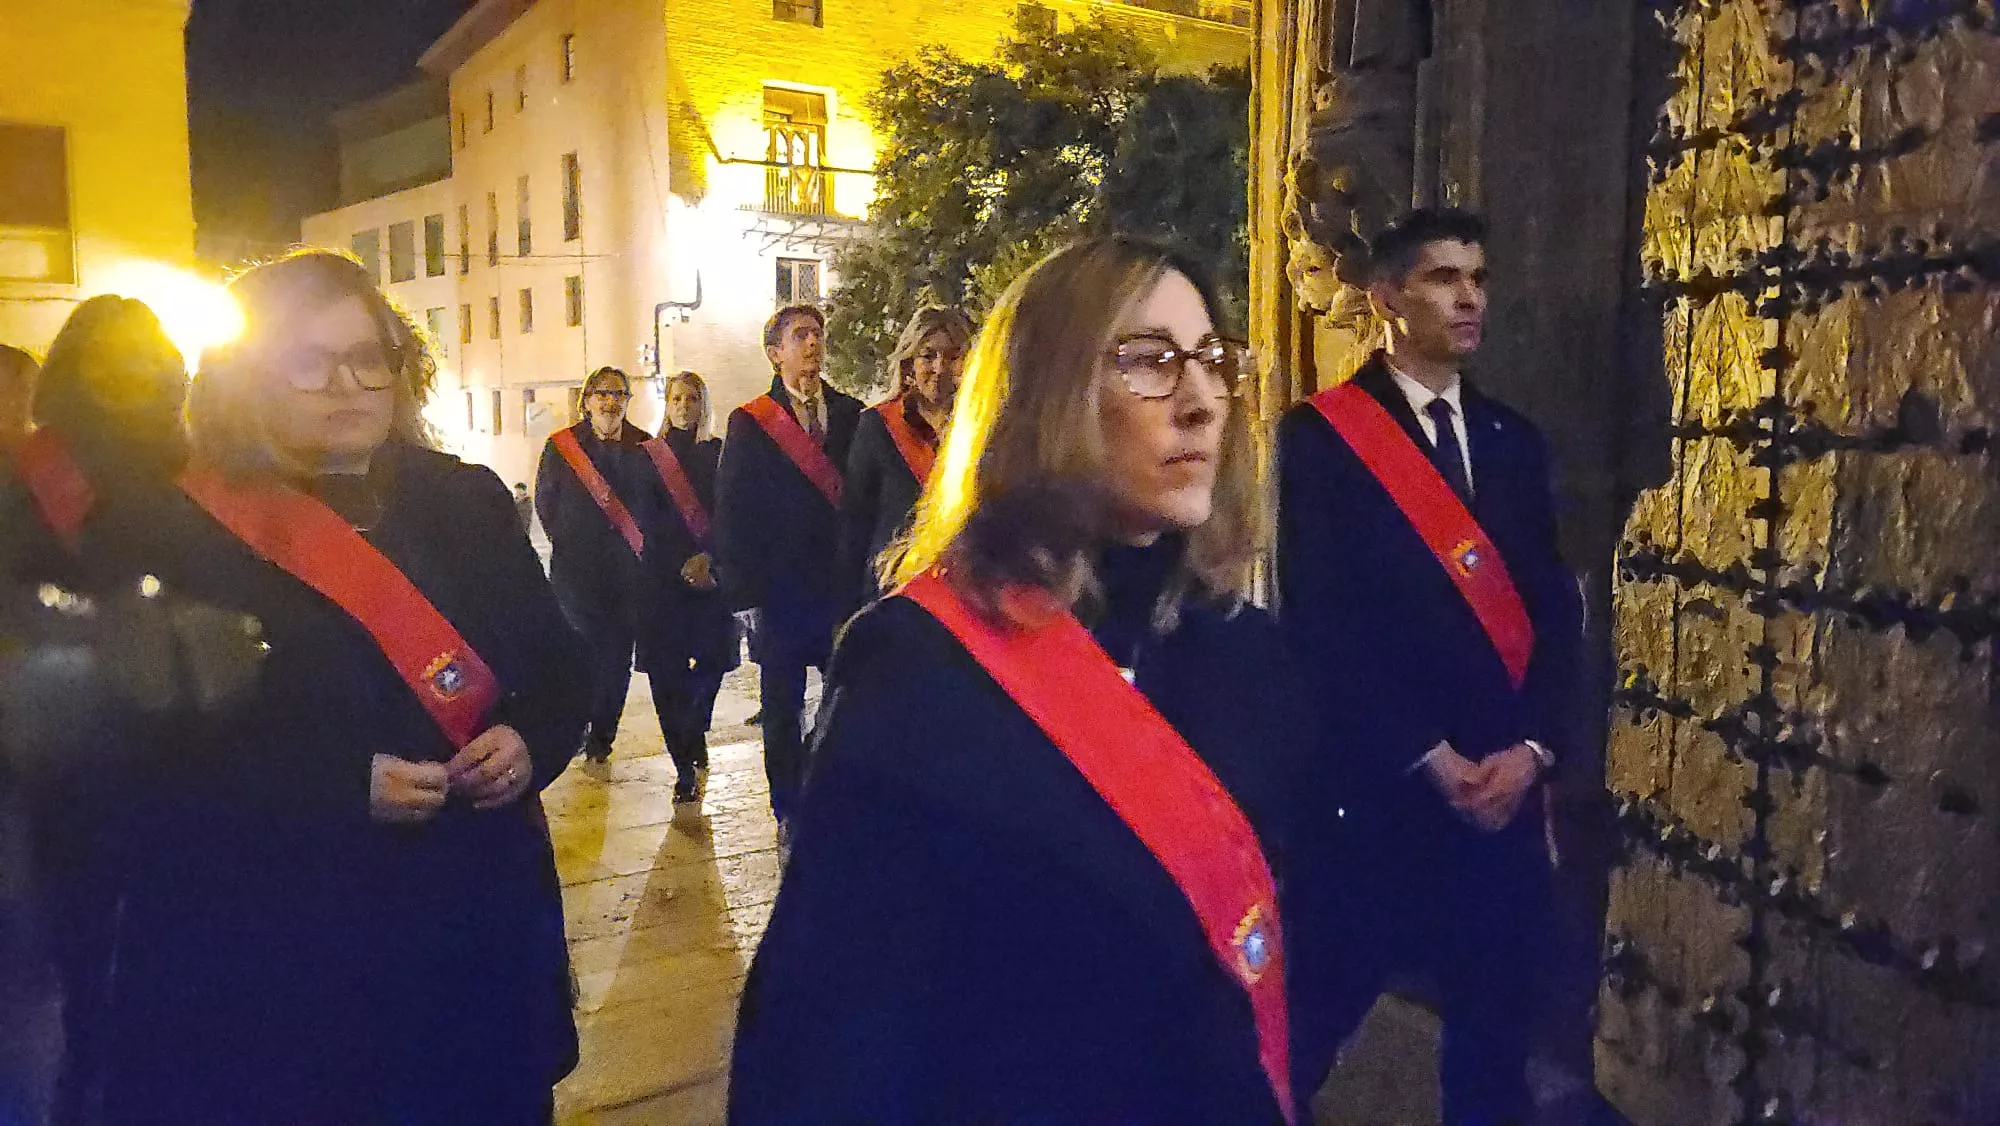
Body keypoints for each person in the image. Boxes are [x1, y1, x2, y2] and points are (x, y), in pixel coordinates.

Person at [730, 238, 1327, 1124]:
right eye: (1150, 361)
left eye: (1212, 360)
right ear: (1044, 393)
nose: (1203, 401)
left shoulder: (1248, 653)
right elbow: (829, 1044)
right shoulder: (919, 669)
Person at [87, 250, 587, 1124]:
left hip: (475, 932)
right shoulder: (170, 529)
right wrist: (330, 785)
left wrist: (530, 739)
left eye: (368, 357)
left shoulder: (463, 499)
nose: (347, 384)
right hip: (293, 953)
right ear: (246, 379)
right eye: (309, 361)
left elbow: (553, 663)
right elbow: (136, 750)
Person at [1276, 208, 1580, 1124]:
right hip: (1386, 792)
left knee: (1494, 1050)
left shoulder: (1514, 440)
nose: (1469, 298)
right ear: (1385, 299)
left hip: (1504, 794)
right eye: (1445, 278)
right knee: (1304, 1029)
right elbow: (1323, 620)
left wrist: (1533, 752)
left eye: (1478, 279)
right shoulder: (1323, 438)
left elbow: (1556, 613)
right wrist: (1428, 755)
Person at [0, 299, 191, 1126]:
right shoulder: (26, 476)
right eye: (108, 359)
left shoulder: (197, 467)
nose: (130, 375)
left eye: (145, 357)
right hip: (62, 763)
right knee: (74, 969)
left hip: (184, 749)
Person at [714, 304, 862, 827]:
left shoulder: (851, 414)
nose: (813, 343)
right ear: (775, 354)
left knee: (848, 700)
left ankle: (833, 790)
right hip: (779, 594)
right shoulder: (751, 422)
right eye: (800, 335)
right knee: (781, 707)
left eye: (818, 334)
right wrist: (743, 596)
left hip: (839, 589)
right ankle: (787, 808)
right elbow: (732, 511)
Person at [535, 366, 657, 762]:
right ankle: (578, 726)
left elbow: (657, 506)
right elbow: (545, 503)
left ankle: (603, 735)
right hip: (576, 573)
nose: (610, 401)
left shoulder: (646, 446)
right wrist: (571, 541)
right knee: (579, 652)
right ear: (586, 401)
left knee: (616, 658)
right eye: (602, 394)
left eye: (619, 394)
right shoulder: (562, 446)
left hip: (627, 577)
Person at [637, 371, 737, 803]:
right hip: (661, 581)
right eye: (676, 398)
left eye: (691, 398)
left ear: (702, 404)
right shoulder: (646, 456)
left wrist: (708, 556)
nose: (683, 406)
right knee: (666, 675)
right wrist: (675, 563)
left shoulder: (717, 454)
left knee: (712, 663)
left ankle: (695, 728)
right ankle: (682, 766)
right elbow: (643, 519)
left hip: (709, 577)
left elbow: (730, 510)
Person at [838, 305, 973, 611]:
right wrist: (846, 613)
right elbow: (856, 523)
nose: (940, 367)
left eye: (953, 356)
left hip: (966, 595)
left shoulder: (984, 426)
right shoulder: (878, 425)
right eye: (929, 356)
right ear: (910, 363)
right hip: (896, 592)